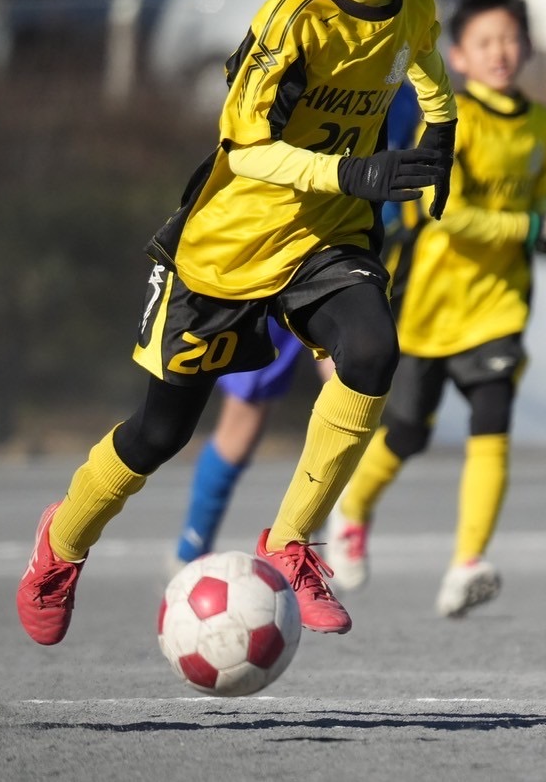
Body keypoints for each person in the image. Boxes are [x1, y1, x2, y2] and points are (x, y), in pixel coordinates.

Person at [16, 0, 459, 645]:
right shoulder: (292, 21)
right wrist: (354, 170)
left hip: (326, 237)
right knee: (159, 434)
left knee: (370, 353)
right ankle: (62, 543)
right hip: (225, 249)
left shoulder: (412, 7)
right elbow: (246, 147)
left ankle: (291, 544)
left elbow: (429, 65)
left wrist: (441, 133)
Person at [325, 0, 546, 619]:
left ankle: (468, 562)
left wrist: (545, 224)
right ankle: (353, 510)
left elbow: (534, 200)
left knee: (493, 426)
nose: (500, 52)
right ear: (457, 56)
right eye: (485, 41)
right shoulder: (450, 120)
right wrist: (532, 228)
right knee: (405, 432)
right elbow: (446, 215)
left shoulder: (542, 126)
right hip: (429, 305)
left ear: (528, 48)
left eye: (511, 40)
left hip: (498, 306)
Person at [170, 83, 421, 568]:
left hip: (343, 264)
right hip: (270, 259)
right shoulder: (296, 55)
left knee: (355, 386)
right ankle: (189, 552)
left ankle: (335, 530)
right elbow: (249, 150)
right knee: (240, 428)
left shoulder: (409, 89)